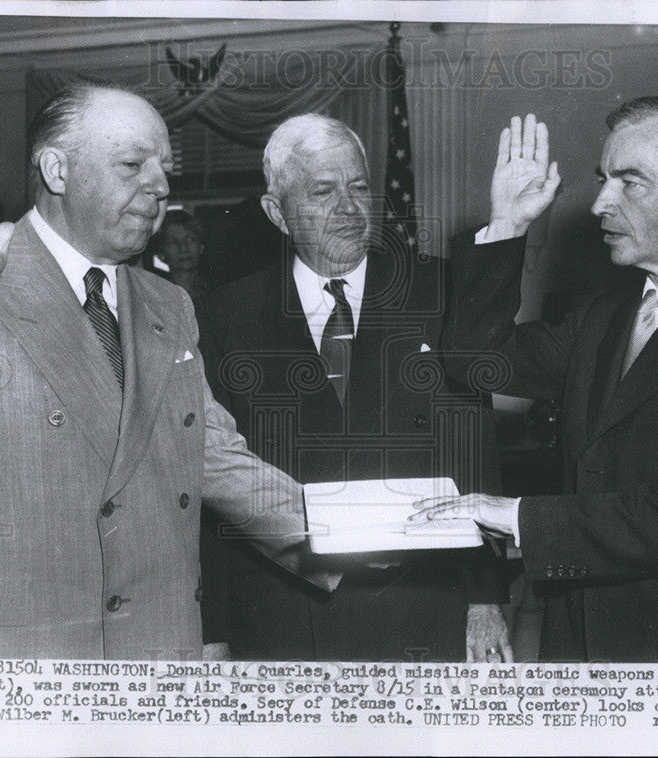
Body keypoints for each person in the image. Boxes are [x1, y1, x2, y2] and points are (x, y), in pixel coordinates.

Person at [0, 83, 335, 659]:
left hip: (152, 661)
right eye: (132, 164)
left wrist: (349, 528)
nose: (160, 186)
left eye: (164, 168)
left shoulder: (169, 305)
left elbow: (211, 455)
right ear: (56, 170)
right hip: (11, 675)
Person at [416, 98, 658, 664]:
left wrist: (520, 515)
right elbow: (477, 360)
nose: (599, 203)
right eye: (603, 180)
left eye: (630, 183)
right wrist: (507, 224)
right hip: (578, 644)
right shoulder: (602, 316)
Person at [198, 114, 512, 662]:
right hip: (278, 612)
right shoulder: (222, 315)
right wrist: (212, 629)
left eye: (360, 187)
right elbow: (210, 484)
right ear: (277, 212)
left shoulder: (439, 289)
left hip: (420, 601)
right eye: (324, 191)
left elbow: (473, 448)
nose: (349, 207)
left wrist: (484, 598)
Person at [148, 208, 211, 302]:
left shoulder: (216, 291)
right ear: (161, 254)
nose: (183, 248)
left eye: (190, 239)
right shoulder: (153, 296)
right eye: (173, 242)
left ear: (201, 246)